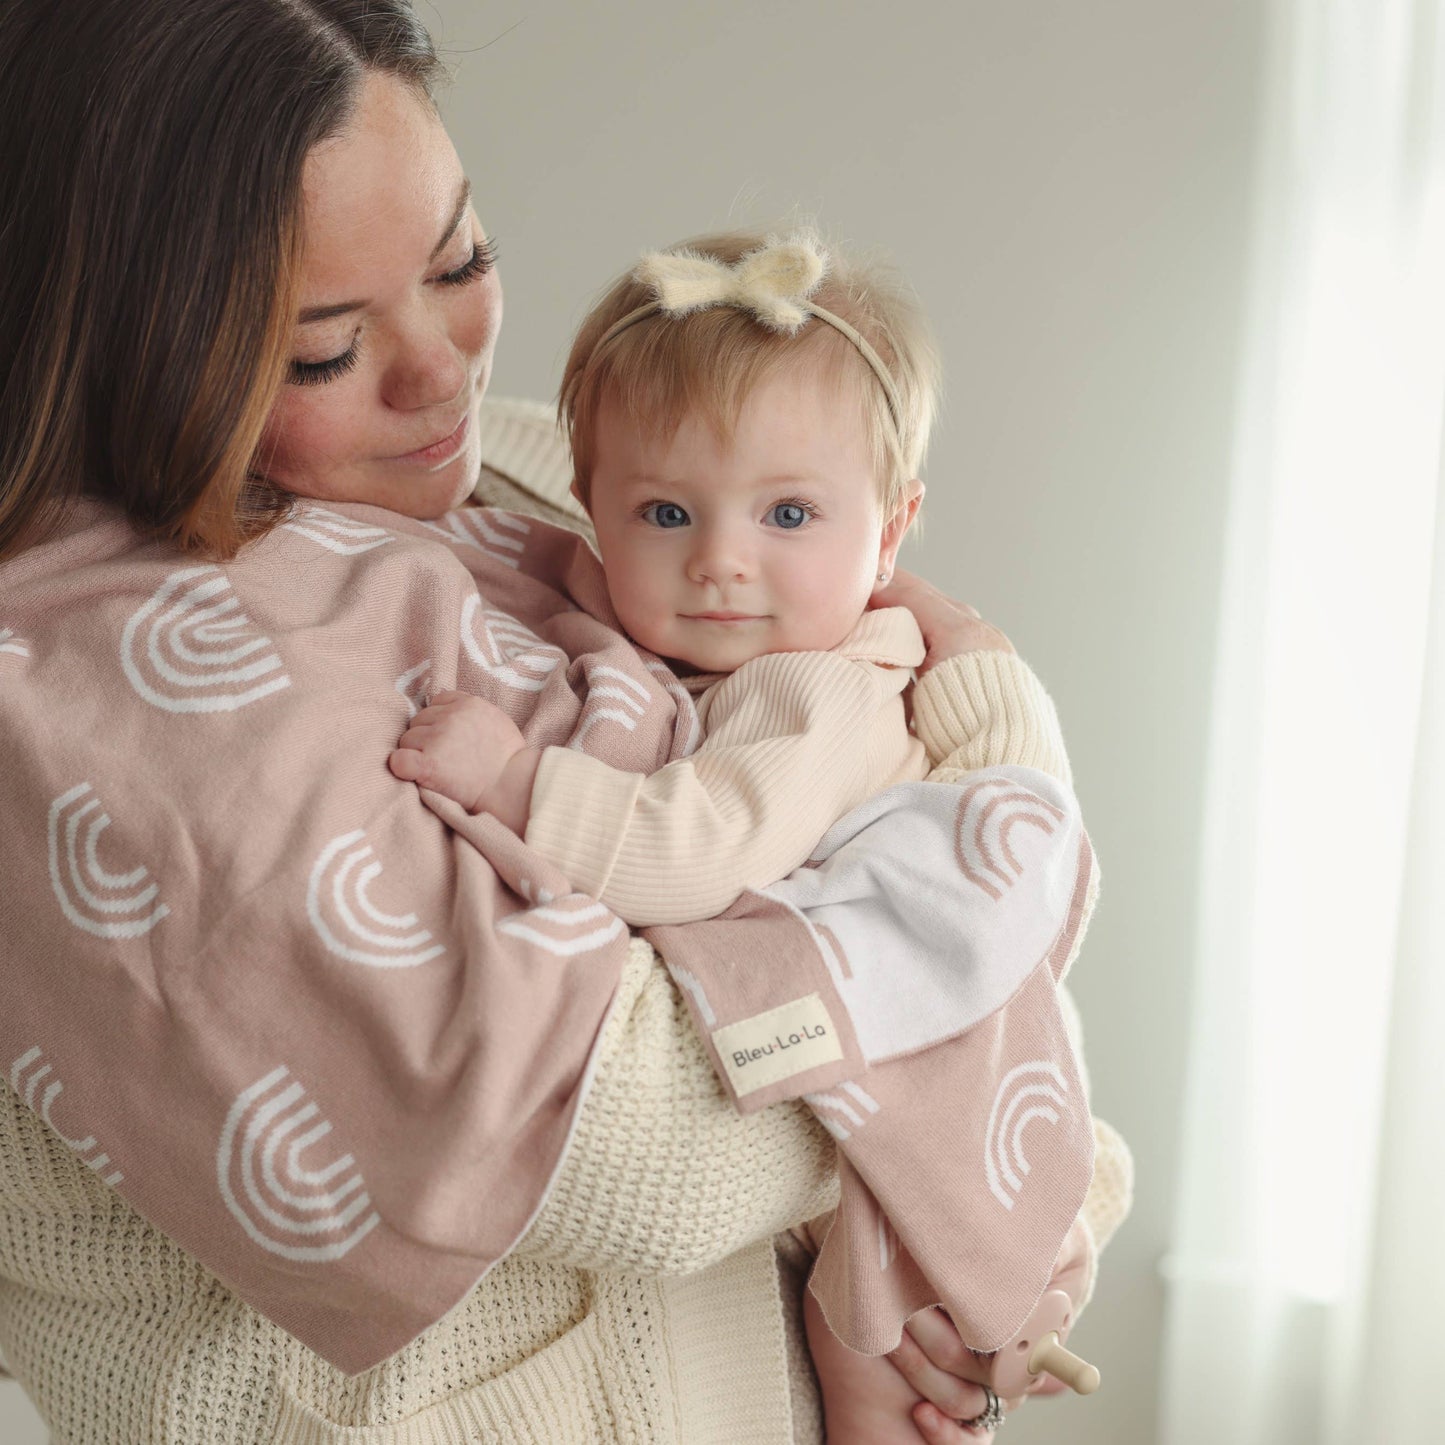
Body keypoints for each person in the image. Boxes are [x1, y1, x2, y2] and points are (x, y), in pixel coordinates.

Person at [0, 3, 1132, 1443]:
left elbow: (893, 712)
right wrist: (994, 812)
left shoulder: (524, 474)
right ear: (111, 345)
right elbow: (638, 1141)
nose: (445, 372)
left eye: (460, 260)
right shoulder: (100, 693)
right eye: (324, 349)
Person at [386, 226, 1101, 1445]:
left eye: (786, 513)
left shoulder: (816, 688)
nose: (719, 562)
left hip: (919, 1045)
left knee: (862, 1332)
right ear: (591, 509)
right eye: (664, 509)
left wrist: (520, 782)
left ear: (889, 534)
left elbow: (704, 846)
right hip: (888, 1070)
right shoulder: (705, 644)